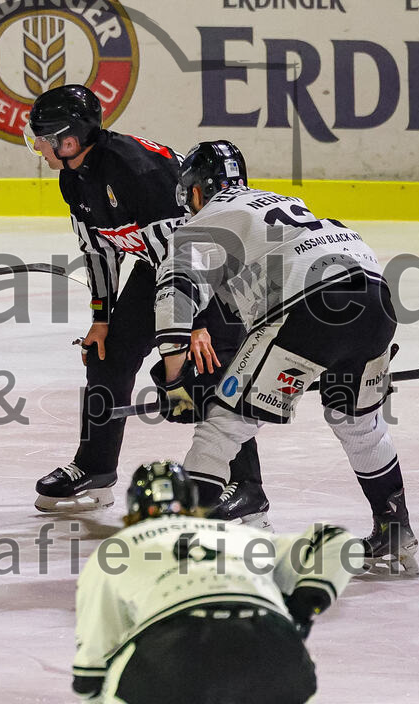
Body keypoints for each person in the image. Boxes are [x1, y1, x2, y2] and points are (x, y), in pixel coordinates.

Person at [152, 139, 419, 575]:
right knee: (359, 425)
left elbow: (174, 292)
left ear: (196, 192)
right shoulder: (278, 202)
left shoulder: (206, 219)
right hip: (375, 300)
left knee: (221, 426)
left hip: (308, 307)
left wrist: (175, 376)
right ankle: (395, 531)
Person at [23, 85, 266, 521]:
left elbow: (186, 254)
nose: (38, 145)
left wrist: (194, 325)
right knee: (108, 352)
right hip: (163, 265)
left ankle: (246, 486)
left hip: (215, 270)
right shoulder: (72, 176)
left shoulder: (138, 171)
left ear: (70, 139)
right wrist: (101, 318)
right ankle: (95, 469)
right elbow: (100, 251)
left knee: (208, 368)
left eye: (43, 137)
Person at [73, 460, 357, 704]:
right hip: (271, 643)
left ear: (133, 511)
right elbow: (339, 542)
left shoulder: (115, 550)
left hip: (172, 652)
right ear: (193, 505)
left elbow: (92, 667)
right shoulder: (239, 534)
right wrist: (303, 608)